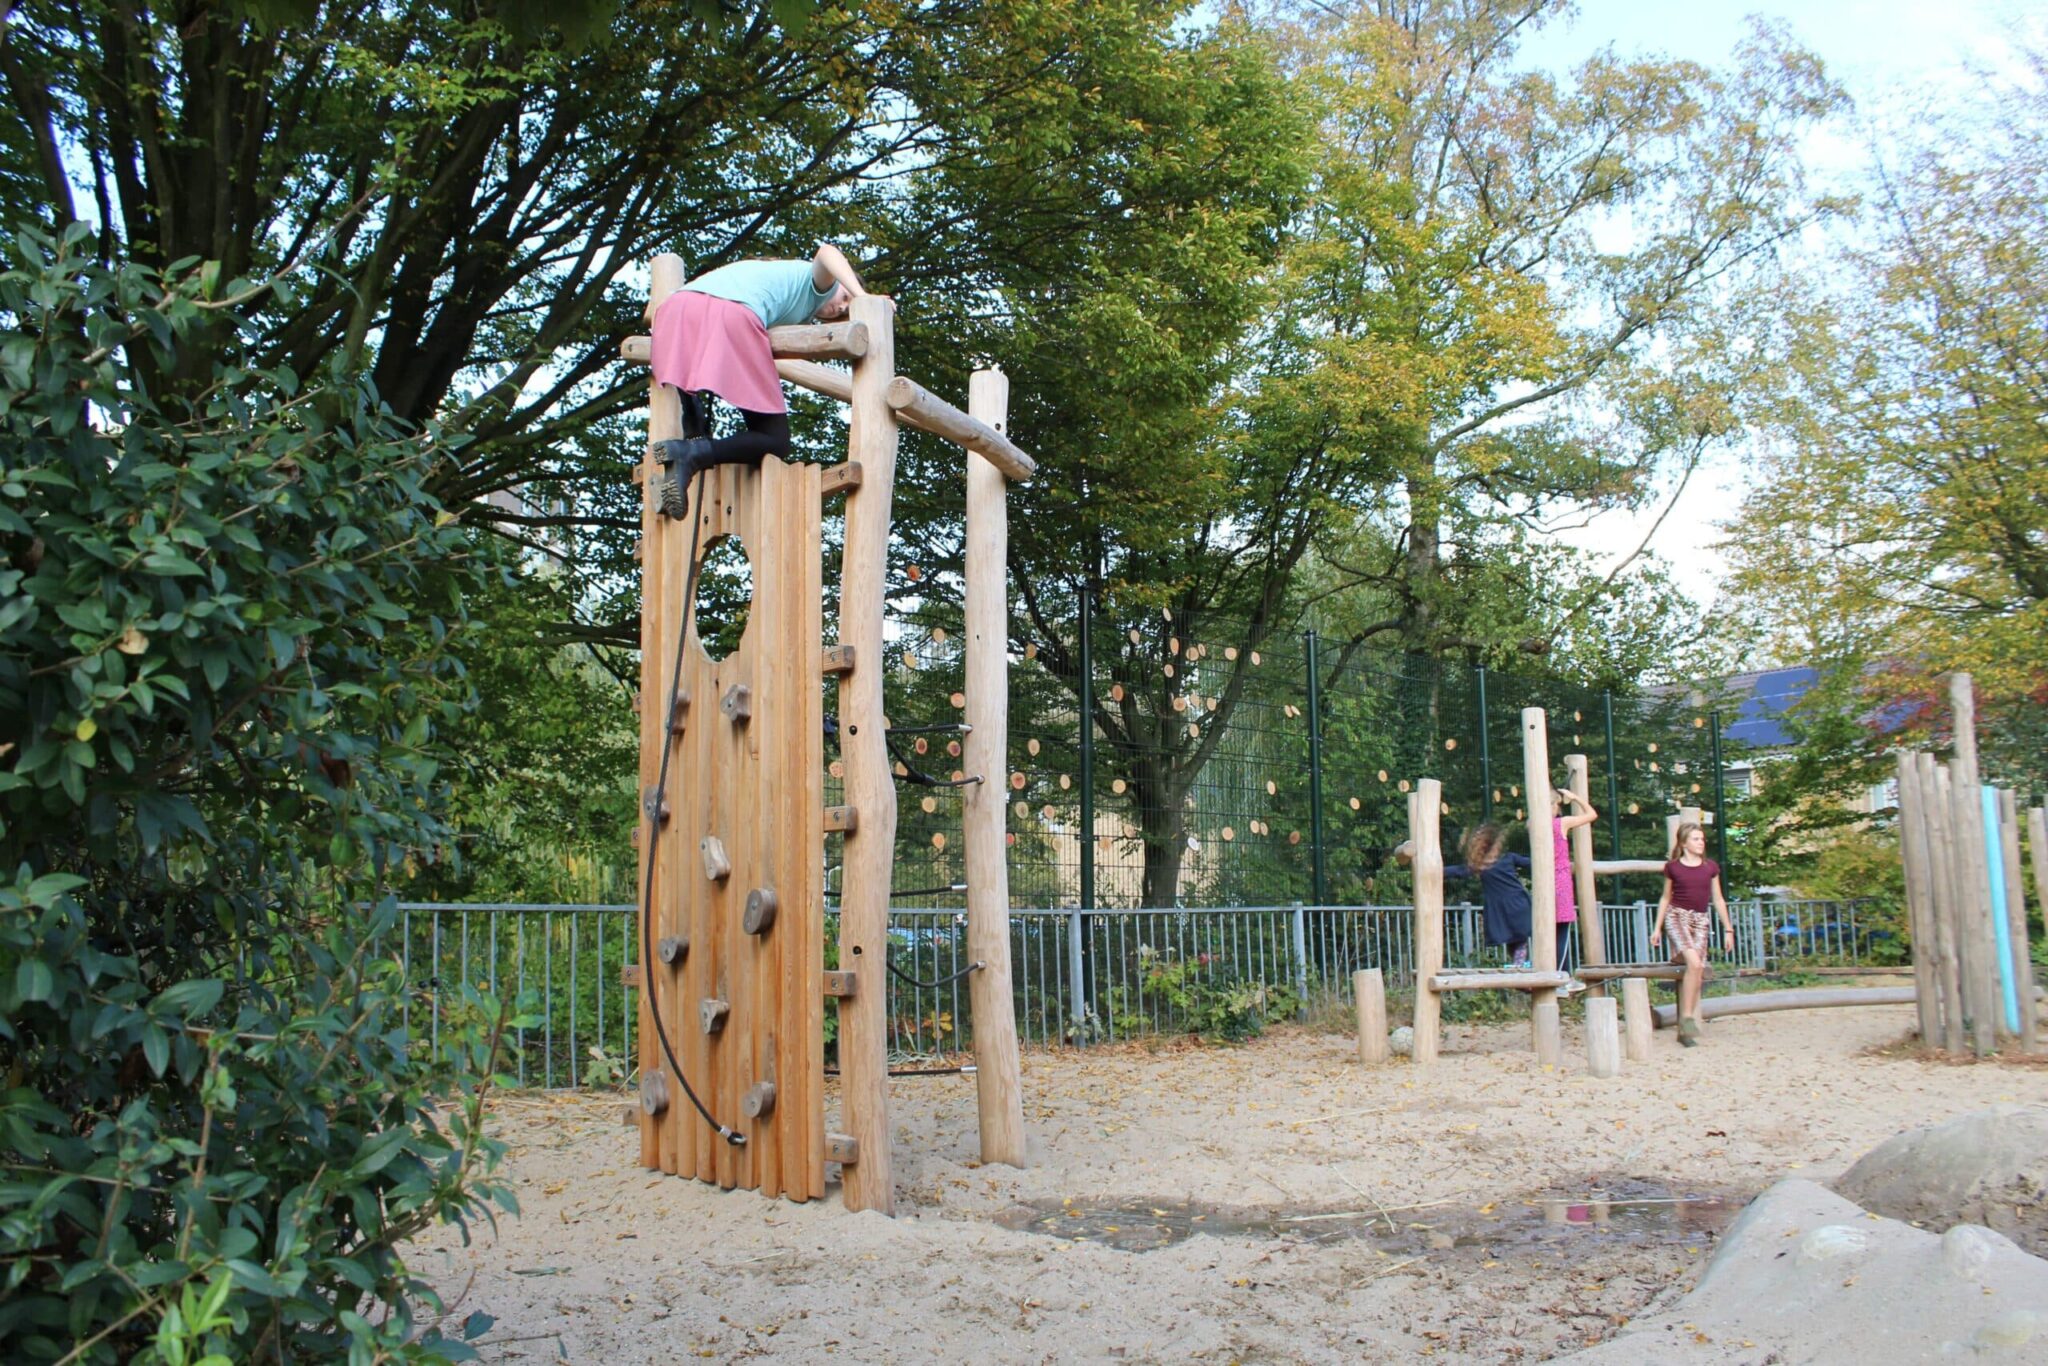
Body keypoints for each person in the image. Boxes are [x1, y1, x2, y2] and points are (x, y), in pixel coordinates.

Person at [647, 243, 888, 517]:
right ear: (839, 280)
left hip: (676, 310)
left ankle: (689, 439)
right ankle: (691, 454)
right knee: (775, 440)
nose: (842, 305)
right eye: (845, 296)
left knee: (700, 425)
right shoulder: (817, 284)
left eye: (847, 308)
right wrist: (863, 297)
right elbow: (825, 252)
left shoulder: (779, 286)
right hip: (731, 314)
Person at [1648, 821, 1735, 1047]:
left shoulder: (1710, 868)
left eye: (1702, 839)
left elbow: (1718, 899)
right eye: (1696, 839)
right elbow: (1665, 898)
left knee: (1695, 968)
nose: (1701, 842)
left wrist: (1728, 929)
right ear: (1684, 843)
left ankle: (1685, 1019)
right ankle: (1686, 1019)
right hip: (1677, 916)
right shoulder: (1674, 868)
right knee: (1695, 964)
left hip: (1700, 920)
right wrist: (1657, 928)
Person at [1440, 823, 1534, 969]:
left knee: (1514, 938)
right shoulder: (1508, 858)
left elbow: (1459, 871)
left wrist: (1438, 870)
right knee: (1518, 937)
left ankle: (1520, 963)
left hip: (1503, 907)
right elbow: (1531, 863)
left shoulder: (1482, 865)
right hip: (1517, 903)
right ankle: (1520, 963)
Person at [1551, 787, 1599, 987]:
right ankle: (1562, 977)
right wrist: (1575, 797)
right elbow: (1592, 815)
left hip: (1545, 882)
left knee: (1552, 930)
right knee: (1562, 930)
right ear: (1554, 806)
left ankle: (1561, 976)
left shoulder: (1532, 824)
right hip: (1560, 881)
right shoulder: (1561, 823)